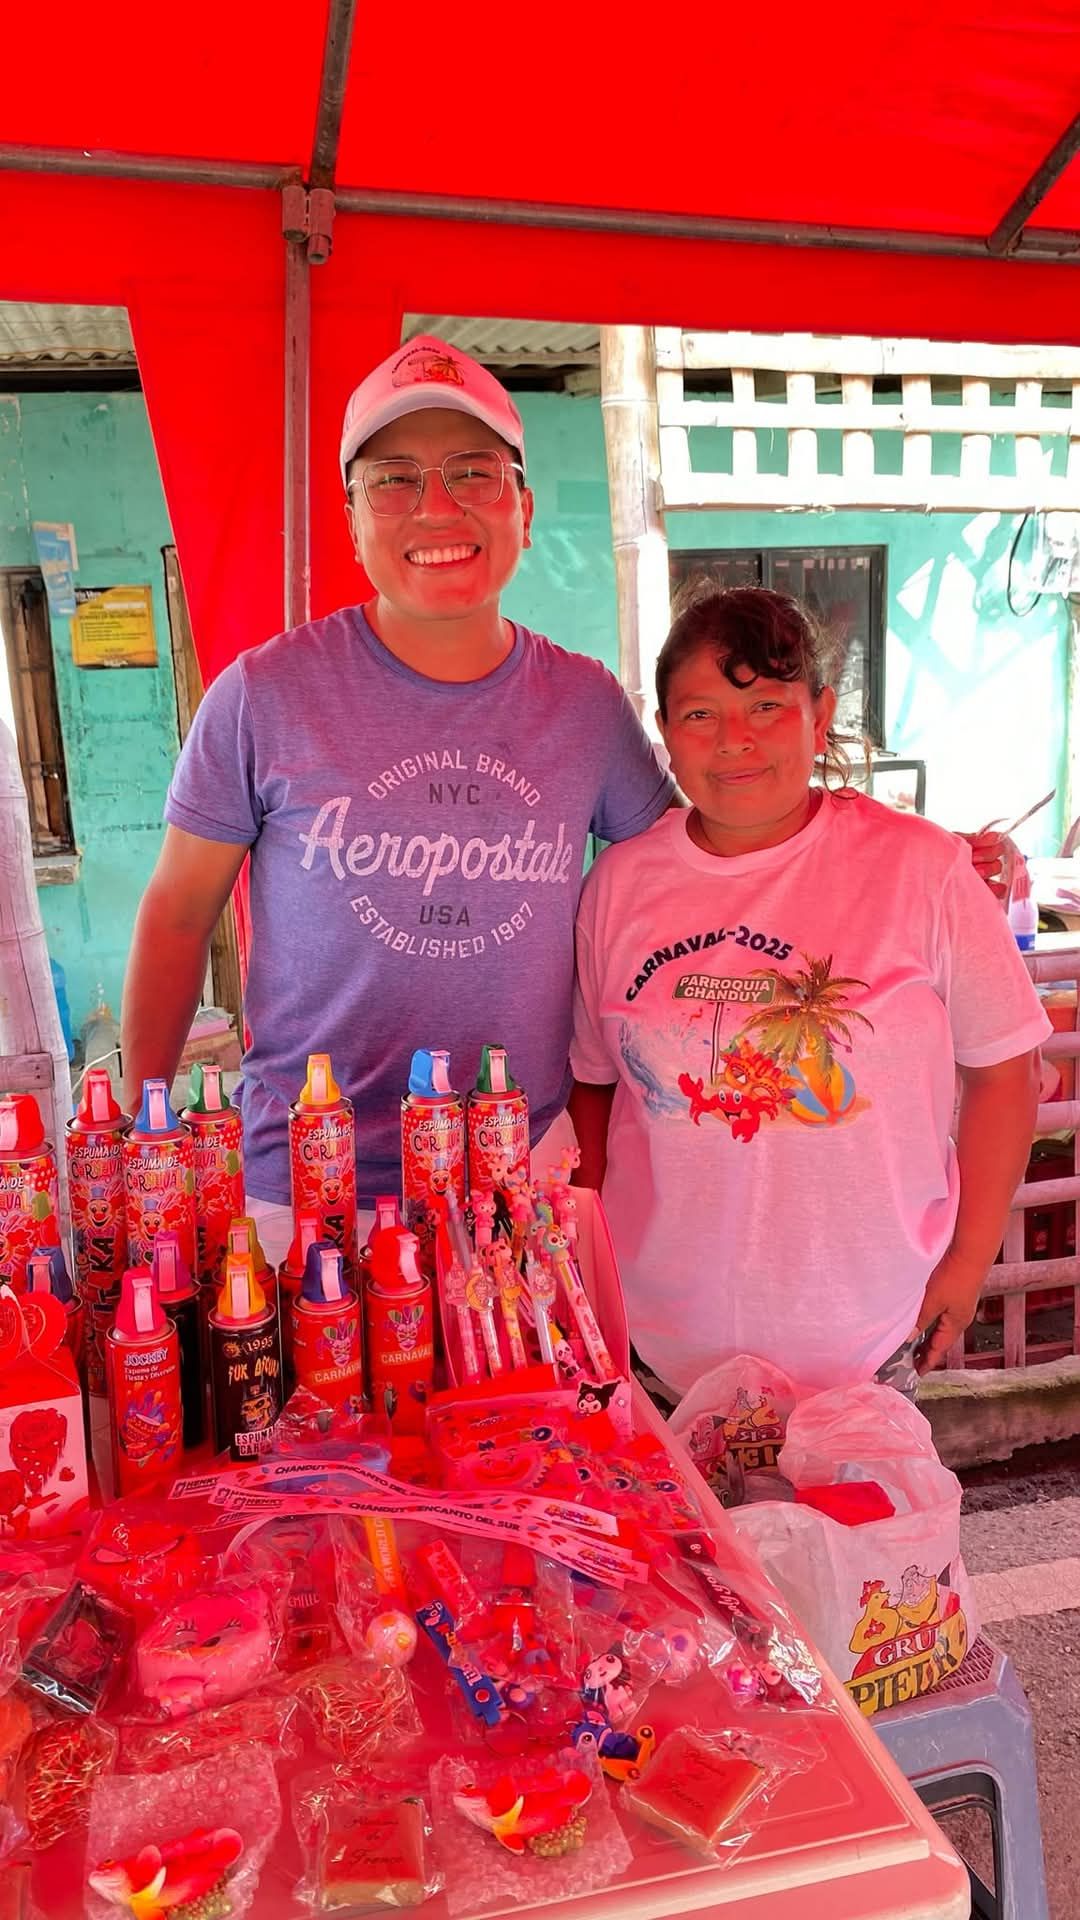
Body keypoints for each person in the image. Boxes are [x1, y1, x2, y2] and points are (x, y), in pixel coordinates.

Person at [120, 337, 675, 1257]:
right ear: (351, 522)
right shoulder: (263, 695)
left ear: (525, 508)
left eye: (474, 472)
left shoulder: (585, 706)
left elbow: (685, 877)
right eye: (394, 480)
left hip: (518, 1174)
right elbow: (179, 916)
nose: (438, 507)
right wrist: (143, 1140)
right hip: (301, 1186)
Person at [568, 586, 1049, 1399]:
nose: (735, 740)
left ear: (820, 716)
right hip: (655, 1346)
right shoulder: (618, 885)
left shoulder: (920, 869)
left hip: (867, 1339)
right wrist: (586, 1270)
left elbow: (1007, 1072)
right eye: (700, 714)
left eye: (766, 706)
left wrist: (969, 1263)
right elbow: (594, 1088)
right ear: (665, 733)